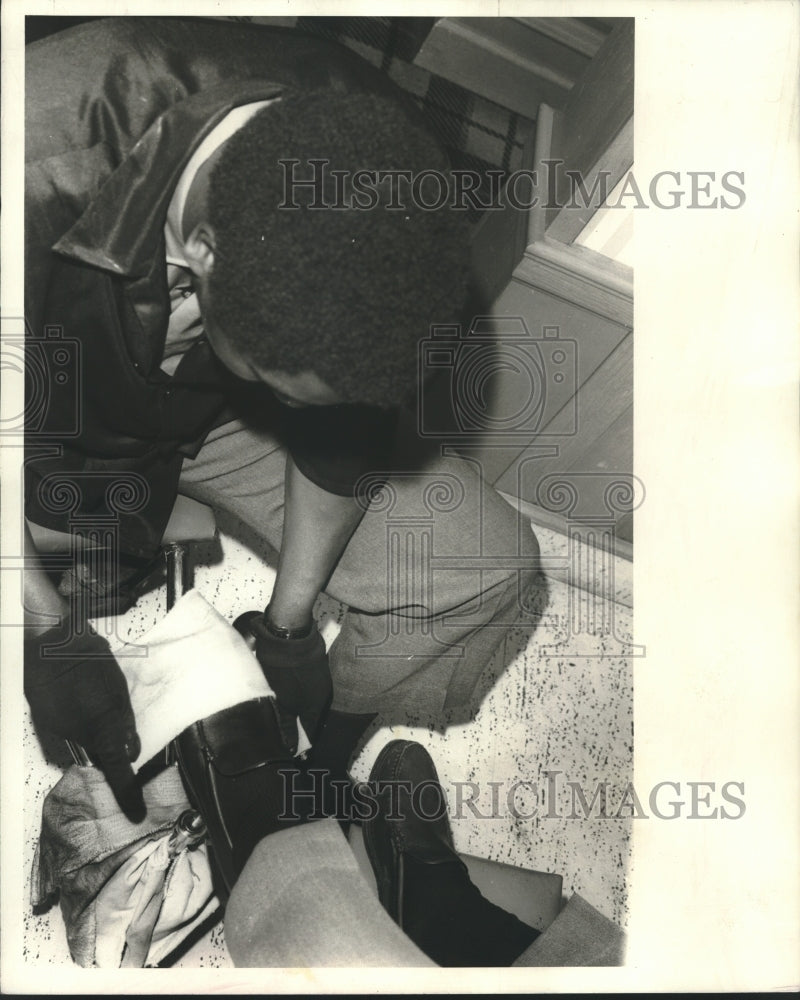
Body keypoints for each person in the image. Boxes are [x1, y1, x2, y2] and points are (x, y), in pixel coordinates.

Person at [22, 17, 542, 824]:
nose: (314, 419)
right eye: (296, 394)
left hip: (222, 402)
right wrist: (43, 621)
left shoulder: (375, 155)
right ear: (201, 253)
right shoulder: (29, 162)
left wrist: (289, 623)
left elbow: (343, 432)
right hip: (45, 419)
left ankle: (305, 767)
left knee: (484, 570)